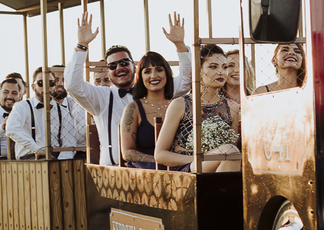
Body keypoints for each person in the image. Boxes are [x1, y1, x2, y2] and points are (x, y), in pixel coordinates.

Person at [65, 9, 192, 166]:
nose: (119, 67)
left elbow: (186, 80)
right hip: (115, 173)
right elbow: (72, 85)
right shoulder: (101, 97)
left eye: (124, 63)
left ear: (134, 65)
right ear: (108, 71)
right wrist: (82, 46)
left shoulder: (157, 89)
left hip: (168, 170)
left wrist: (180, 45)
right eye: (113, 65)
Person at [155, 44, 241, 173]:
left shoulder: (232, 107)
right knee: (230, 151)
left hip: (219, 170)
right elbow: (160, 155)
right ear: (199, 70)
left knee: (231, 153)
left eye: (225, 67)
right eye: (213, 67)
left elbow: (231, 154)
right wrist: (200, 159)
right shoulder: (180, 104)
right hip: (187, 169)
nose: (221, 72)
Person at [119, 51, 178, 170]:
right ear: (140, 77)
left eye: (159, 70)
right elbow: (127, 153)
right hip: (146, 171)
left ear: (167, 73)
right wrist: (159, 160)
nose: (153, 76)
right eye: (147, 72)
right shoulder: (133, 109)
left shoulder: (178, 105)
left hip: (179, 166)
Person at [6, 67, 79, 160]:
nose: (46, 87)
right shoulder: (22, 107)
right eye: (41, 83)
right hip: (29, 157)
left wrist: (62, 162)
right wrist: (37, 149)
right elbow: (12, 129)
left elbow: (70, 142)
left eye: (51, 83)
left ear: (55, 85)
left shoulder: (62, 111)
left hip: (56, 158)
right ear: (33, 87)